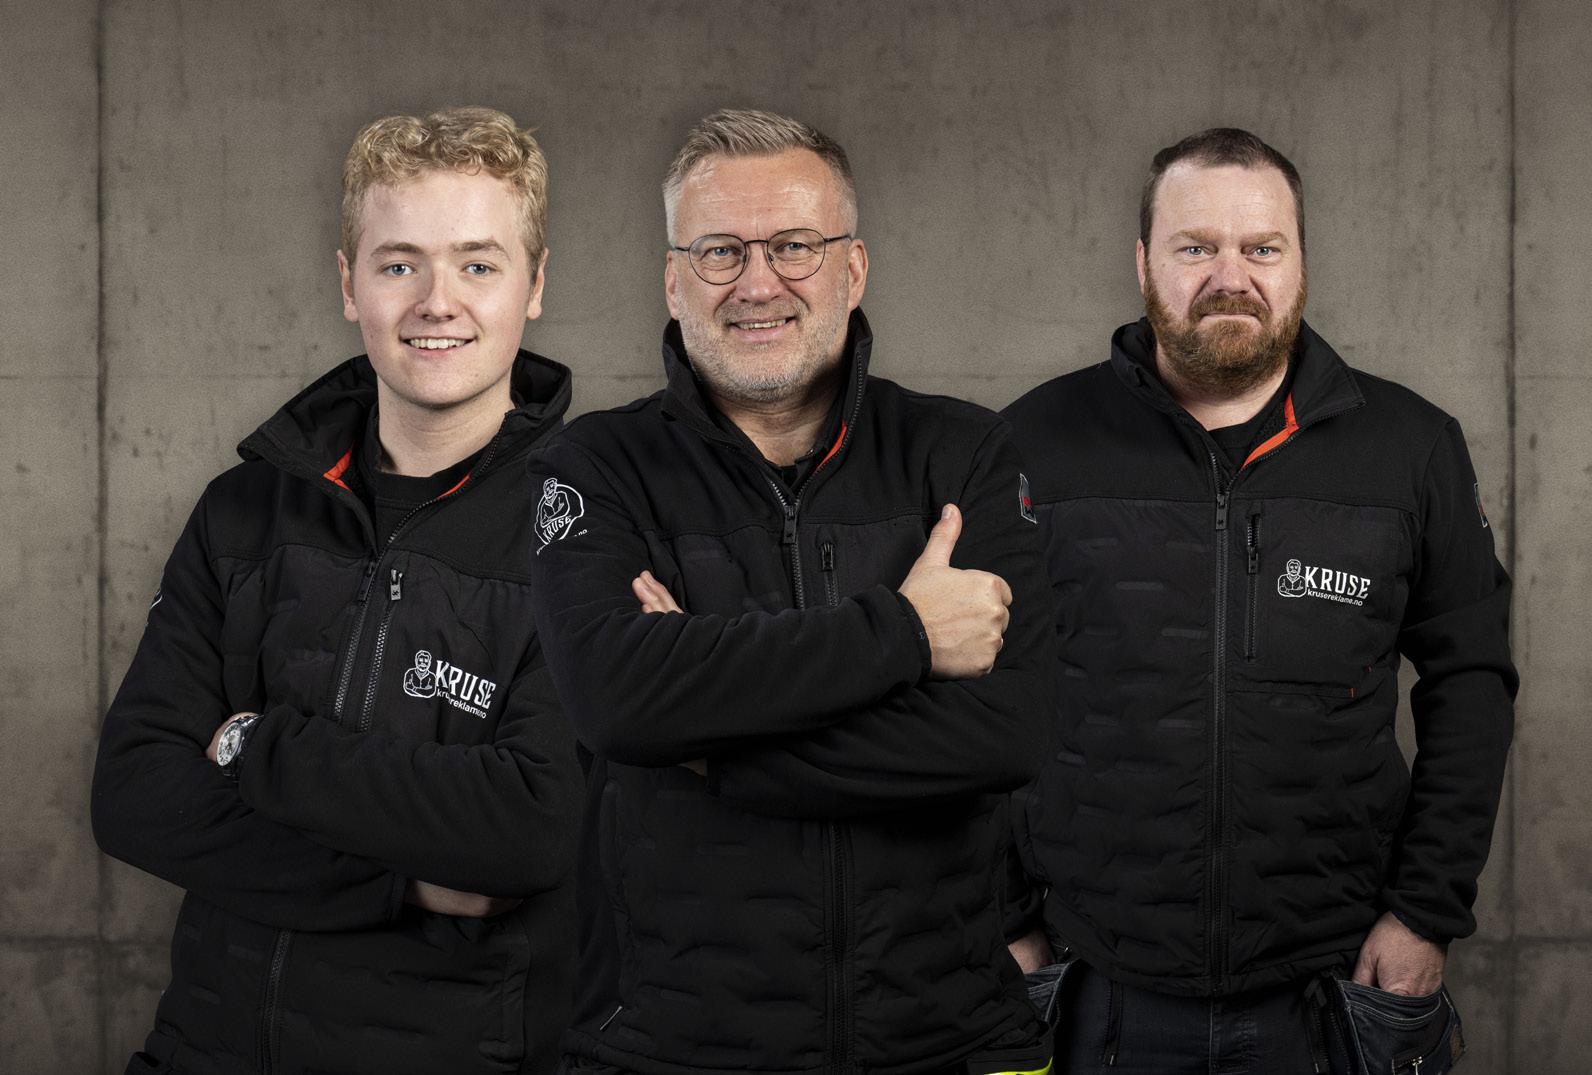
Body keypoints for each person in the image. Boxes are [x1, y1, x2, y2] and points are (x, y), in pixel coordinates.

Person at [525, 109, 1055, 1075]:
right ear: (673, 279)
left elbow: (1007, 732)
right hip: (668, 1050)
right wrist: (905, 633)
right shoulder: (596, 466)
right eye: (719, 251)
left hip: (948, 1039)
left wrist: (707, 744)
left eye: (795, 246)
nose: (758, 282)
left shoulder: (963, 452)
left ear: (854, 269)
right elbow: (615, 698)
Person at [1002, 128, 1517, 1074]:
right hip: (1092, 983)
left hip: (1335, 987)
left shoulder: (1410, 449)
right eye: (1195, 246)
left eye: (1261, 248)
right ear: (1143, 263)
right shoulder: (1032, 445)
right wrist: (999, 916)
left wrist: (1424, 911)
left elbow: (1472, 684)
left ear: (1301, 262)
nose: (1229, 277)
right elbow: (965, 692)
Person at [91, 106, 581, 1075]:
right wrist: (399, 883)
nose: (437, 301)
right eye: (399, 264)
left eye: (477, 265)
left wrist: (252, 745)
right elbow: (134, 793)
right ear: (348, 283)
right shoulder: (244, 512)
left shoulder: (587, 536)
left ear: (534, 286)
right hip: (203, 1051)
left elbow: (528, 831)